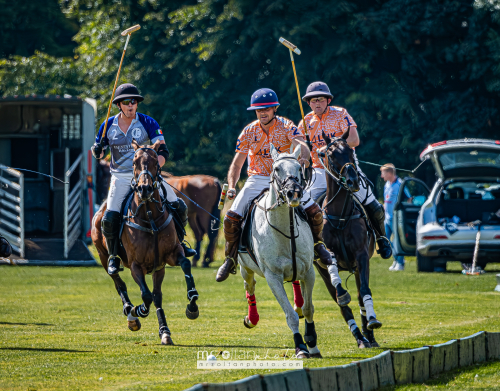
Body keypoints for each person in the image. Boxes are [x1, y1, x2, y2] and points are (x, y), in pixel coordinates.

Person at [216, 88, 333, 282]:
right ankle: (230, 257)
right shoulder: (249, 131)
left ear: (275, 109)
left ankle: (318, 245)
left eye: (267, 109)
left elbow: (301, 145)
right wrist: (232, 185)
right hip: (257, 178)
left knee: (314, 210)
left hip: (285, 179)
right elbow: (236, 164)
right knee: (231, 217)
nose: (263, 113)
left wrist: (304, 157)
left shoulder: (286, 125)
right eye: (259, 110)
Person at [91, 83, 196, 275]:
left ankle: (180, 243)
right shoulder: (107, 126)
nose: (130, 105)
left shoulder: (148, 122)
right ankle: (114, 256)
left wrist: (152, 170)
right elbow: (100, 154)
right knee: (110, 216)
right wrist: (97, 150)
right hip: (121, 177)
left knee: (179, 205)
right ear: (119, 105)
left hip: (147, 175)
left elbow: (163, 151)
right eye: (126, 102)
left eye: (134, 102)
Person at [297, 81, 392, 259]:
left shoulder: (340, 114)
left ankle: (382, 239)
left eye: (320, 99)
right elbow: (303, 150)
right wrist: (303, 157)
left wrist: (331, 147)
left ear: (328, 100)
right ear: (308, 103)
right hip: (320, 171)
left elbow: (354, 140)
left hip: (345, 168)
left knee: (373, 203)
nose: (317, 103)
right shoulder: (305, 122)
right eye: (313, 100)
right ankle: (307, 246)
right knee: (301, 206)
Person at [380, 164, 405, 271]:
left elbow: (408, 198)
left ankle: (400, 262)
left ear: (389, 173)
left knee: (397, 241)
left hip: (396, 217)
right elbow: (386, 200)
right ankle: (395, 260)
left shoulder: (400, 184)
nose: (382, 176)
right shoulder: (387, 185)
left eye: (383, 173)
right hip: (387, 218)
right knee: (386, 240)